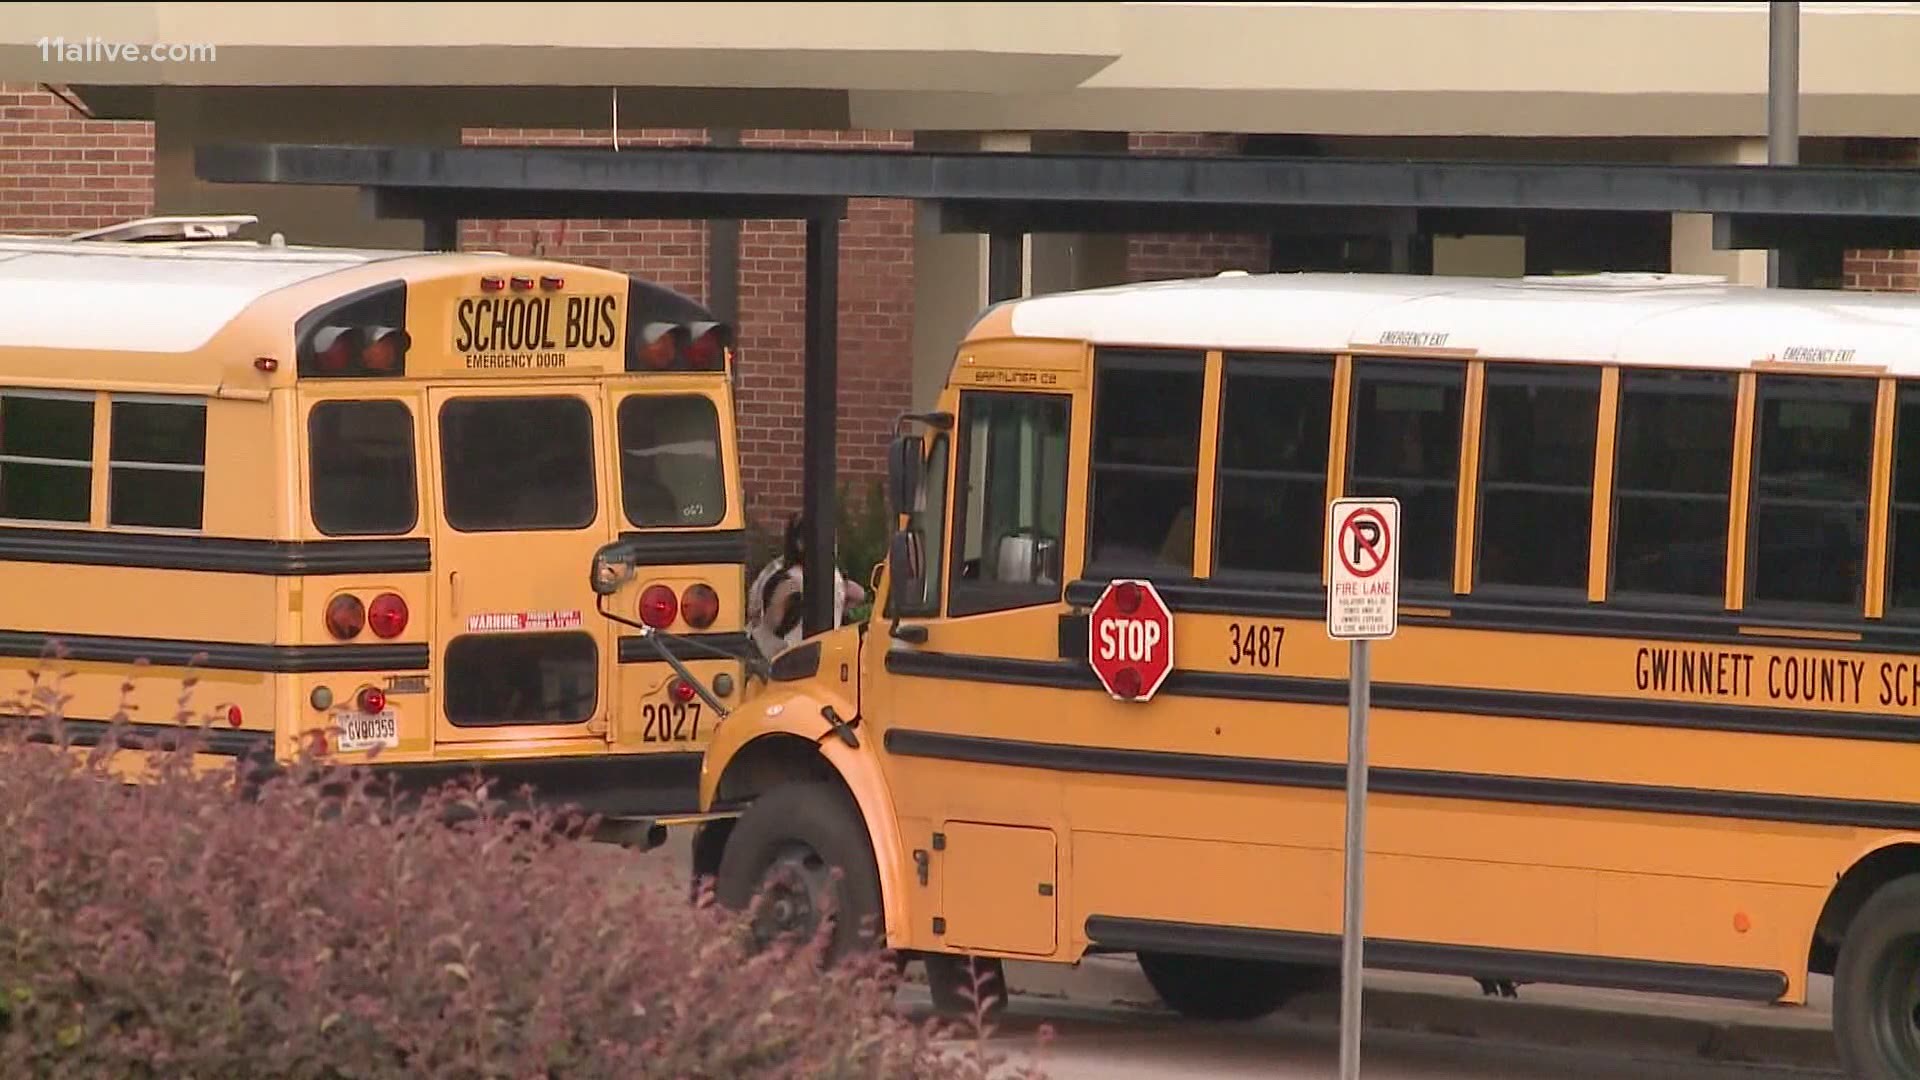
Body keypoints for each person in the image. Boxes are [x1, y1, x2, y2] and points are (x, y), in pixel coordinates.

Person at [747, 514, 867, 658]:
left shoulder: (787, 574)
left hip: (800, 660)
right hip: (804, 659)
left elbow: (766, 623)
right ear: (800, 543)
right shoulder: (794, 578)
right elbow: (771, 624)